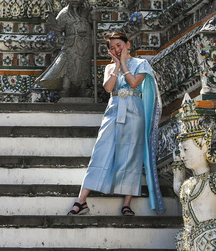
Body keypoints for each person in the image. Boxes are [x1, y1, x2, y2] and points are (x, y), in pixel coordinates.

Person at [67, 32, 164, 216]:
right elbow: (109, 88)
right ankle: (81, 201)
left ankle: (127, 203)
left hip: (134, 112)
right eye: (112, 48)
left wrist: (125, 63)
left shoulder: (141, 64)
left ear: (128, 44)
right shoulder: (110, 68)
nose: (116, 50)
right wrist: (118, 65)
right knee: (101, 151)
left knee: (132, 154)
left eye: (119, 45)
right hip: (113, 111)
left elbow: (134, 83)